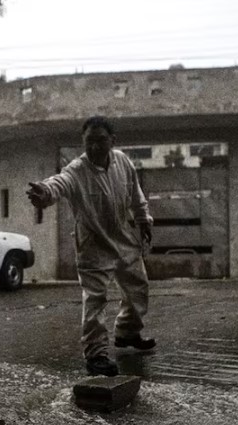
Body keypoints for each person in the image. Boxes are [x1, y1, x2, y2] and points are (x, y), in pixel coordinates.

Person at [27, 116, 156, 377]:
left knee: (138, 288)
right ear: (83, 143)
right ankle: (96, 355)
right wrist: (44, 193)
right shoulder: (76, 170)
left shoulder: (123, 162)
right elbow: (58, 183)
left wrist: (143, 220)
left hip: (123, 237)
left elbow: (135, 194)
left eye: (101, 140)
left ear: (112, 141)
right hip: (93, 246)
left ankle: (127, 333)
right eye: (89, 142)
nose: (95, 147)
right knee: (96, 300)